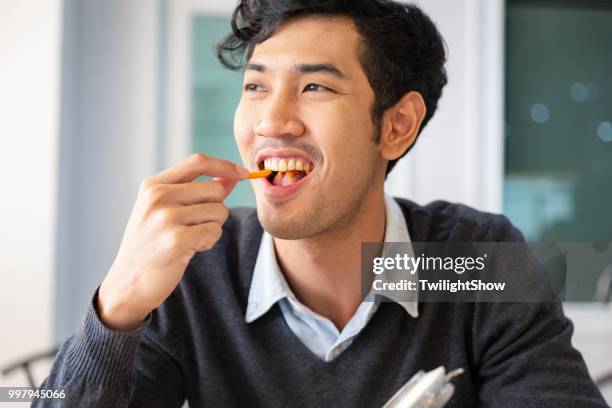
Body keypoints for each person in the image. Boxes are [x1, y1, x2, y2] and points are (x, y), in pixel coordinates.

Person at [35, 0, 607, 407]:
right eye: (256, 86)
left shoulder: (472, 262)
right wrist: (116, 308)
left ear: (397, 126)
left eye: (315, 87)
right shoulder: (195, 265)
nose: (271, 121)